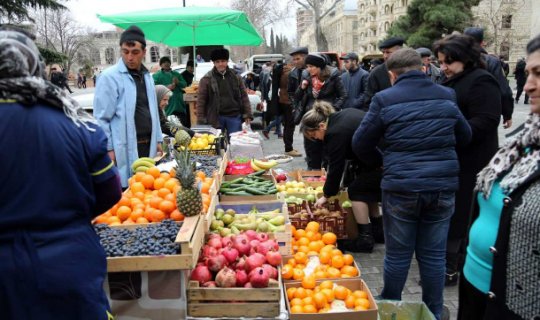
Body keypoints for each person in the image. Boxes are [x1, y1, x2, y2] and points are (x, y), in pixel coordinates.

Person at [0, 27, 122, 319]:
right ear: (34, 65)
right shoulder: (74, 121)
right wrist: (70, 216)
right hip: (69, 263)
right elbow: (110, 190)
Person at [352, 48, 472, 320]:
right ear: (424, 68)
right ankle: (434, 311)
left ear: (392, 74)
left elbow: (360, 143)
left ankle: (391, 307)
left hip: (401, 188)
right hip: (441, 187)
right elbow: (465, 136)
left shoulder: (384, 99)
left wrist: (383, 161)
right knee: (433, 256)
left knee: (397, 255)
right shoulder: (446, 95)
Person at [458, 34, 540, 320]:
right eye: (528, 73)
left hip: (520, 304)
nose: (527, 85)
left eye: (538, 74)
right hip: (475, 287)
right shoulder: (525, 141)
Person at [433, 33, 502, 286]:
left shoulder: (481, 80)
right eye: (440, 62)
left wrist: (450, 132)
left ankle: (452, 267)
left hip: (473, 159)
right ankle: (450, 261)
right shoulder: (453, 80)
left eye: (447, 62)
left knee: (462, 212)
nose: (443, 68)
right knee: (453, 211)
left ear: (464, 58)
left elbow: (486, 120)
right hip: (454, 156)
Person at [301, 101, 382, 252]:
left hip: (383, 160)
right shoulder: (342, 115)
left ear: (321, 126)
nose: (317, 139)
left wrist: (326, 195)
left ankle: (365, 238)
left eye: (314, 135)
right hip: (381, 156)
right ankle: (379, 231)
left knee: (357, 191)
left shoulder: (334, 133)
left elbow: (336, 167)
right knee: (367, 190)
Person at [94, 25, 163, 188]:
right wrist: (109, 149)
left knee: (147, 190)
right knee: (127, 192)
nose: (129, 57)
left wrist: (158, 138)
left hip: (149, 145)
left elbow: (154, 109)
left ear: (144, 52)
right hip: (123, 146)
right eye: (125, 52)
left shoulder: (147, 77)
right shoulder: (109, 78)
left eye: (135, 52)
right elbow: (101, 118)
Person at [294, 53, 347, 169]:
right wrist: (302, 87)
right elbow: (297, 97)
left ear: (319, 67)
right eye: (307, 66)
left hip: (326, 116)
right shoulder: (306, 76)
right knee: (310, 146)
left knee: (325, 147)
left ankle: (325, 173)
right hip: (309, 116)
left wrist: (333, 109)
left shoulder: (333, 75)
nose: (308, 69)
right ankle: (312, 171)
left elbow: (343, 95)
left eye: (311, 66)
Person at [464, 27, 514, 128]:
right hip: (486, 114)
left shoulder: (456, 59)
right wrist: (507, 114)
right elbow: (504, 91)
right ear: (482, 42)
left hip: (461, 113)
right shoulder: (492, 62)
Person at [196, 48, 252, 135]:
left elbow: (244, 96)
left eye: (223, 61)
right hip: (216, 117)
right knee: (218, 145)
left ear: (227, 62)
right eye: (217, 62)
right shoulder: (206, 79)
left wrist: (247, 114)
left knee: (235, 143)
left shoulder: (236, 76)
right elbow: (201, 101)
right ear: (214, 63)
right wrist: (201, 119)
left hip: (234, 116)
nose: (220, 64)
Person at [363, 37, 405, 109]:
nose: (385, 56)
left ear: (399, 52)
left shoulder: (409, 69)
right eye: (383, 52)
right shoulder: (376, 73)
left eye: (388, 52)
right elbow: (369, 101)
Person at [272, 59, 302, 157]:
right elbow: (292, 89)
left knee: (287, 125)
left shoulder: (283, 71)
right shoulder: (289, 73)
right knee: (290, 125)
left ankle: (289, 147)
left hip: (283, 100)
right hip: (288, 101)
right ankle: (288, 148)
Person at [152, 56, 188, 126]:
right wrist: (166, 87)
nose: (166, 64)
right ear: (161, 65)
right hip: (167, 106)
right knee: (170, 126)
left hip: (179, 105)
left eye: (168, 62)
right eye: (164, 62)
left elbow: (185, 84)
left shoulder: (177, 74)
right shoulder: (157, 75)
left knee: (183, 125)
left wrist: (178, 82)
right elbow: (153, 88)